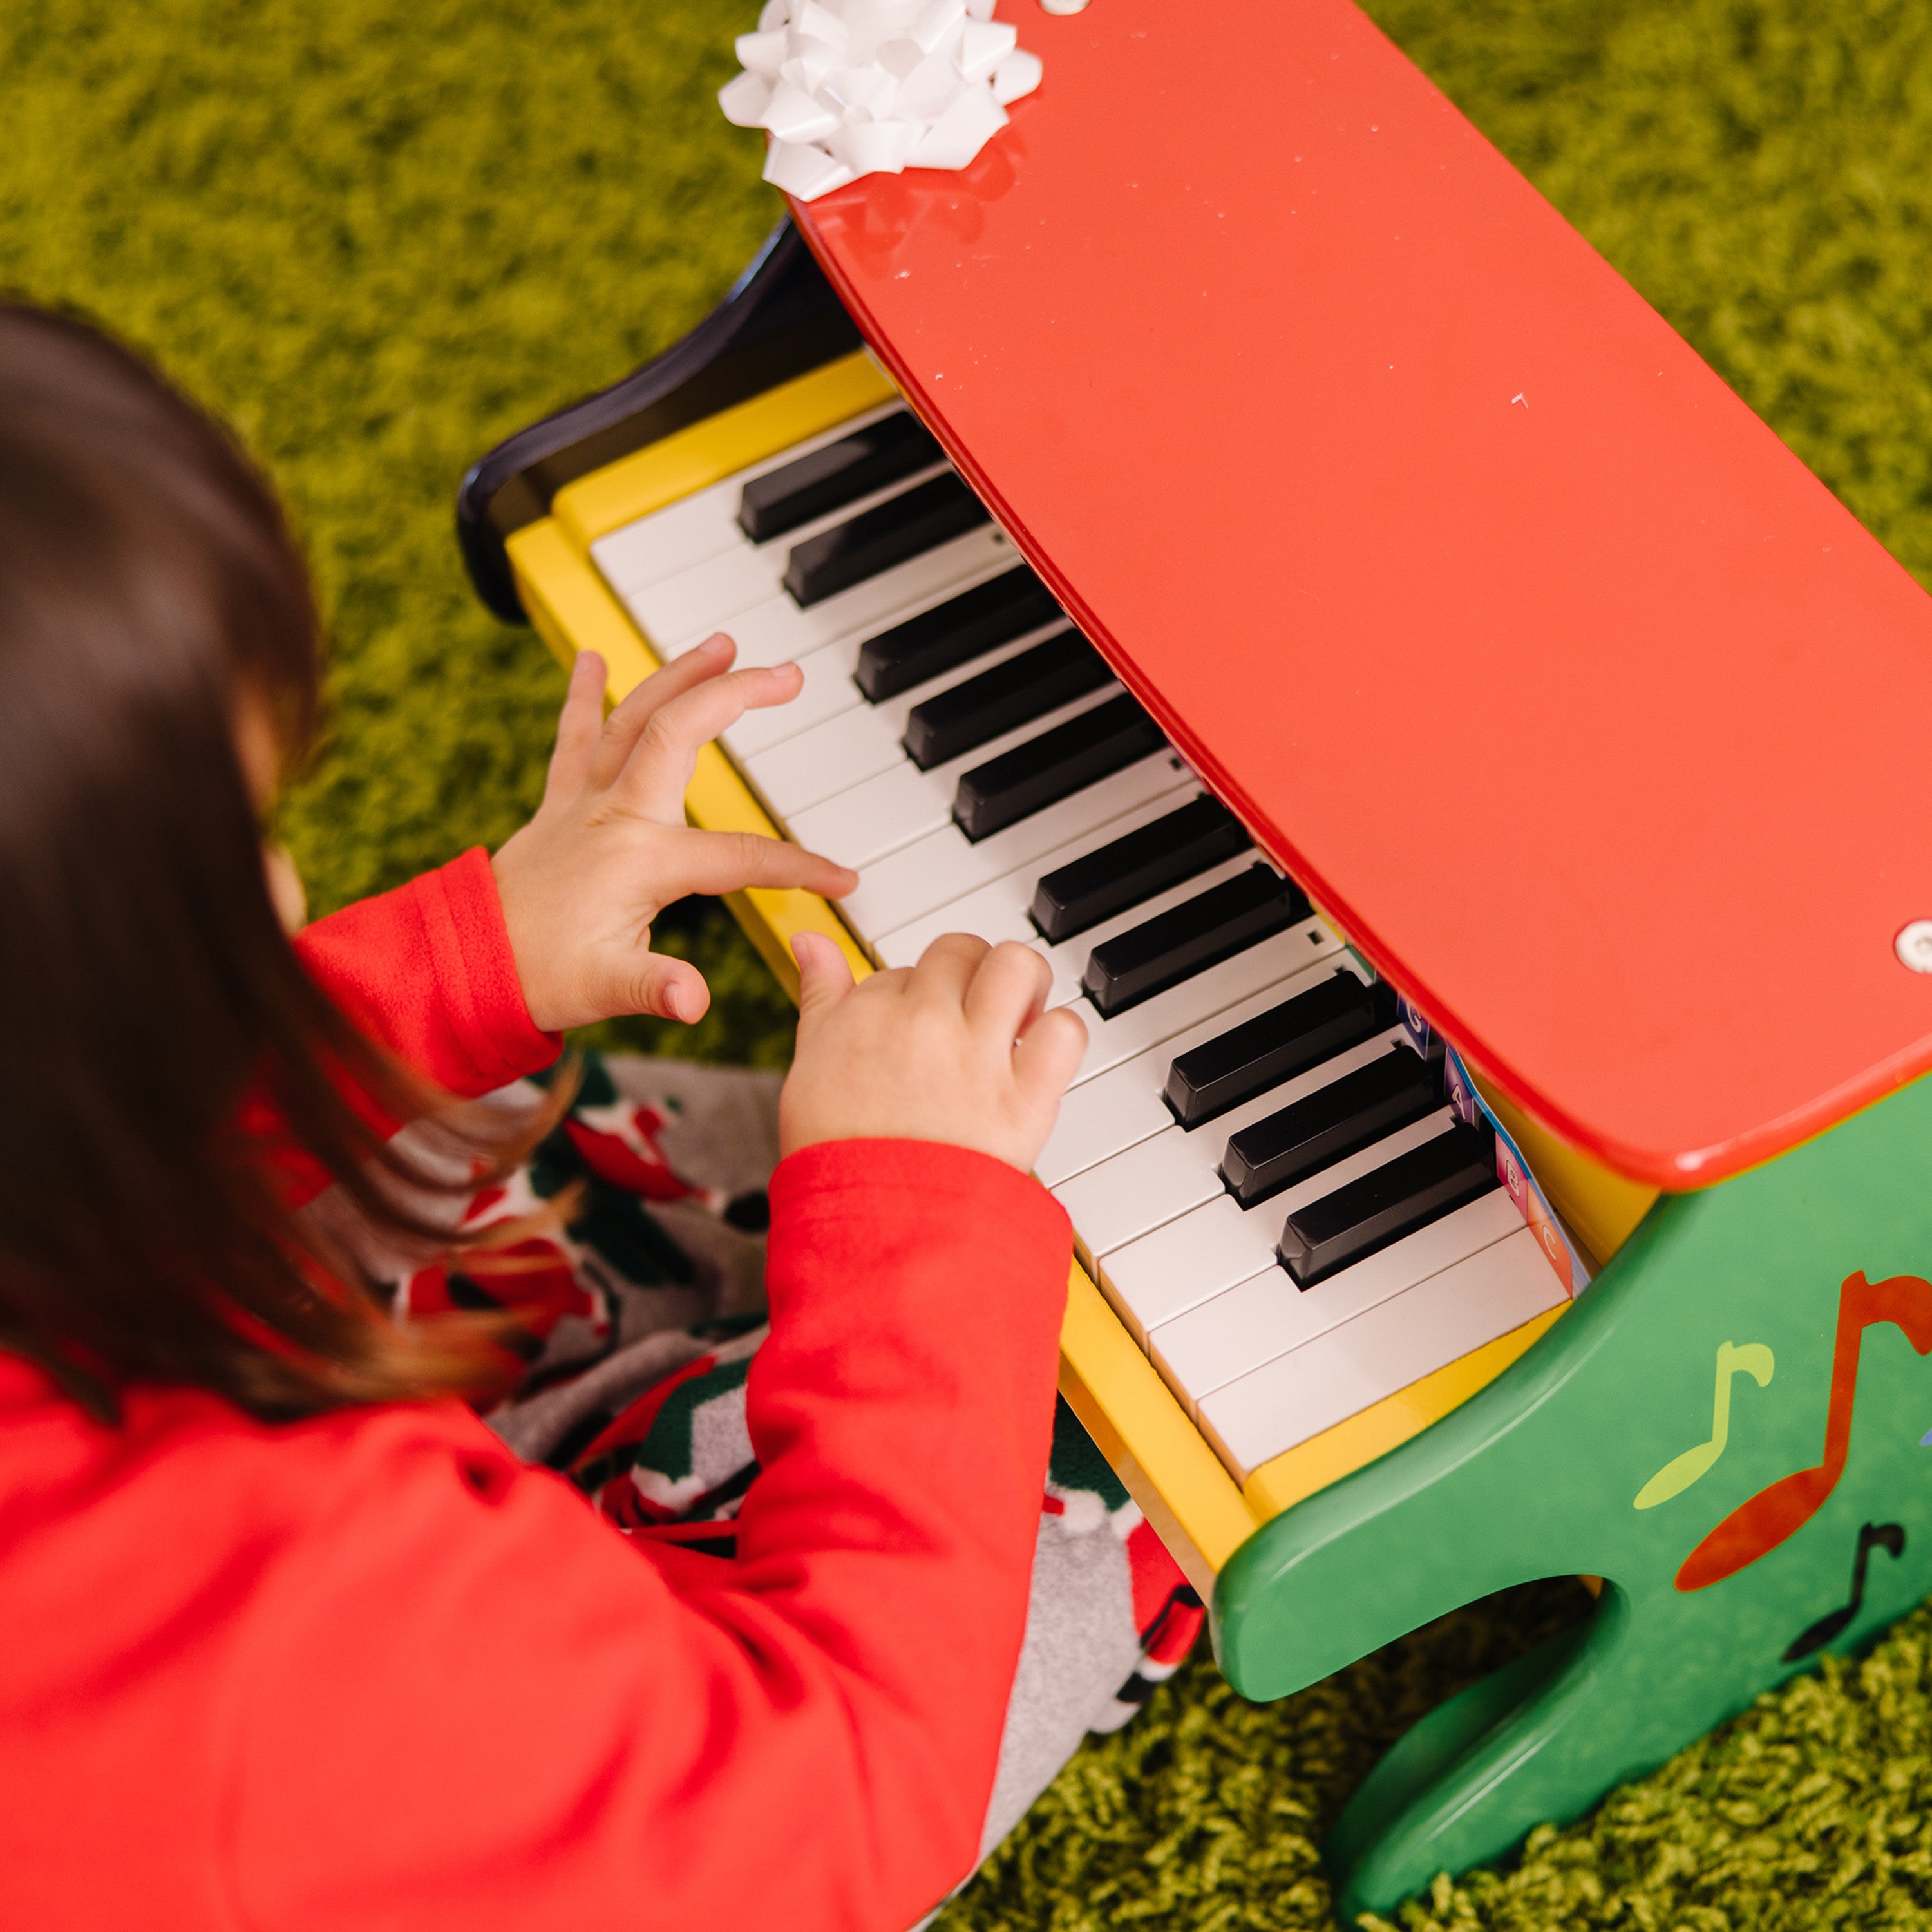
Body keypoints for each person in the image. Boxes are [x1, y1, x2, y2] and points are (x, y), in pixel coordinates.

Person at [0, 303, 1198, 1931]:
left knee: (522, 1150)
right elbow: (839, 1816)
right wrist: (914, 1217)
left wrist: (462, 961)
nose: (281, 887)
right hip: (543, 1783)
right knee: (1098, 1444)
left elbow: (105, 1098)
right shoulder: (267, 1620)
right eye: (219, 864)